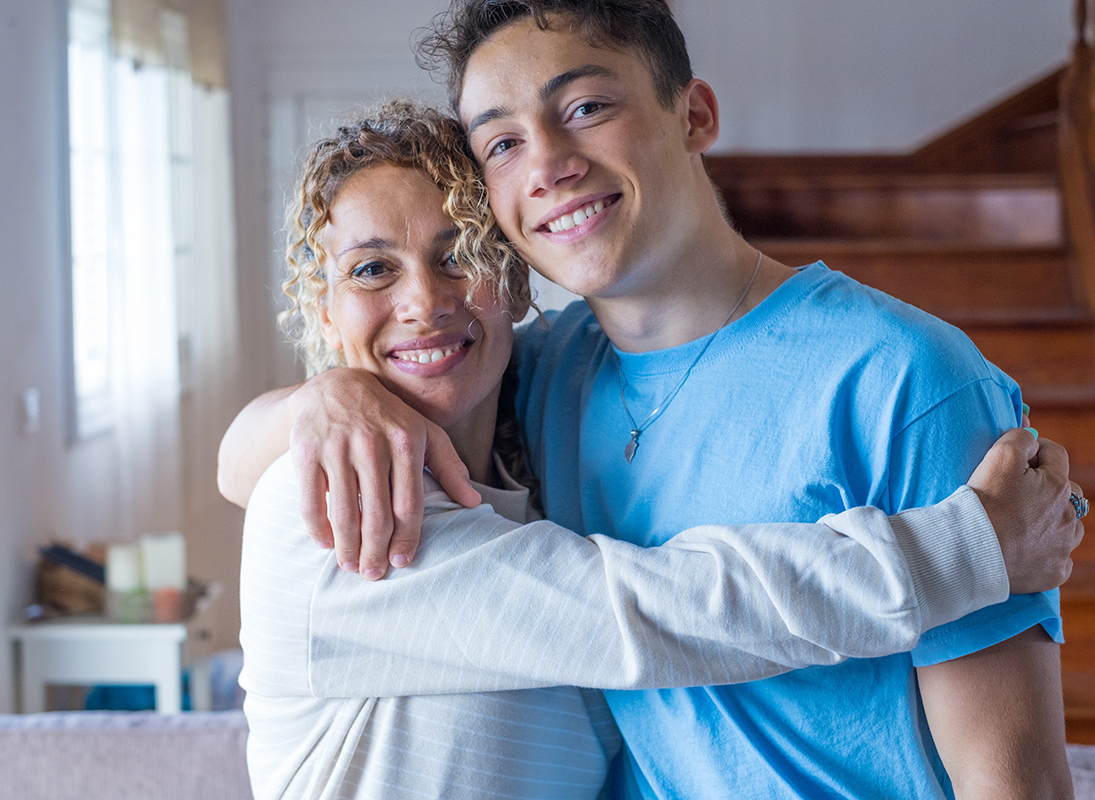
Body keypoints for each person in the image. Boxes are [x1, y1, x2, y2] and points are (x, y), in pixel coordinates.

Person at [227, 2, 1086, 797]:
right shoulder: (536, 388)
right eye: (501, 143)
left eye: (588, 107)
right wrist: (320, 399)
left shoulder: (906, 378)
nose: (550, 164)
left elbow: (1015, 783)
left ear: (694, 114)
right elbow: (638, 612)